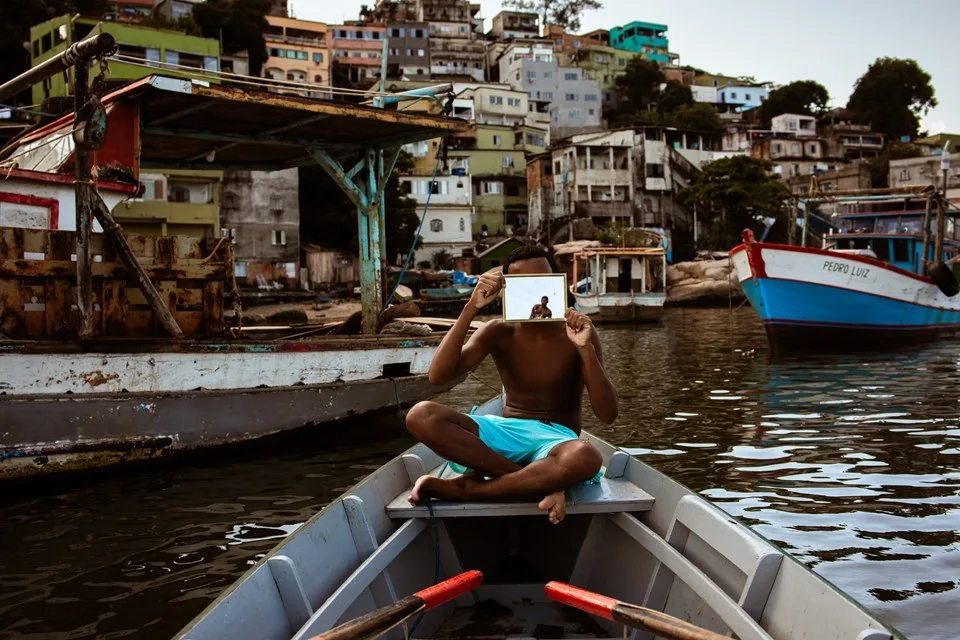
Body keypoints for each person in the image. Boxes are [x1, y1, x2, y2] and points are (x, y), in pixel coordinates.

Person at [405, 245, 619, 524]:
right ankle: (540, 484)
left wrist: (585, 349)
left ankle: (469, 489)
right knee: (421, 415)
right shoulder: (498, 330)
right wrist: (471, 307)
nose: (533, 291)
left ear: (557, 283)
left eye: (541, 281)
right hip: (505, 433)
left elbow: (607, 414)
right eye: (522, 284)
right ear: (507, 289)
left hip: (556, 441)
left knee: (586, 457)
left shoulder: (579, 332)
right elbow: (438, 376)